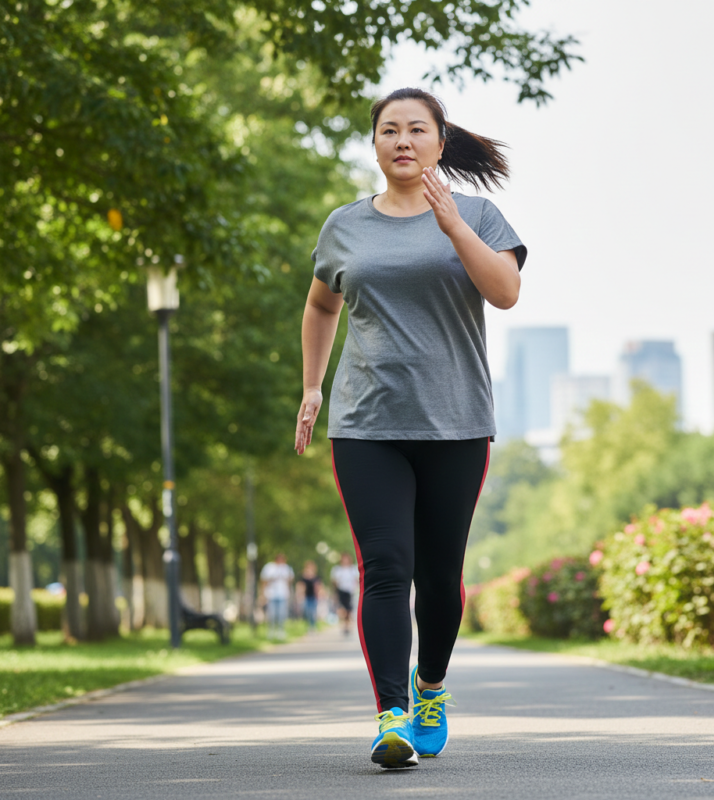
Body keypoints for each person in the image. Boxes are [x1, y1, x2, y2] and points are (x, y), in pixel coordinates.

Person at [294, 87, 526, 769]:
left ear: (439, 140)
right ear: (374, 144)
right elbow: (319, 305)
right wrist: (313, 385)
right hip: (367, 422)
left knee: (440, 574)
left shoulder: (479, 214)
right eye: (389, 130)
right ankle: (391, 715)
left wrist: (453, 227)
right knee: (386, 567)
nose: (402, 140)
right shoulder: (344, 225)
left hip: (456, 421)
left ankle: (431, 688)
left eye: (416, 129)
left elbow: (506, 293)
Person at [259, 553, 294, 639]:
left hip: (283, 595)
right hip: (271, 595)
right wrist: (262, 594)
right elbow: (263, 581)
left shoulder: (287, 568)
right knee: (271, 614)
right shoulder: (269, 567)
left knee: (282, 614)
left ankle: (280, 631)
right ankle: (271, 631)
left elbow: (290, 581)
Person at [330, 552, 359, 636]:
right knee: (342, 610)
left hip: (350, 591)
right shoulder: (337, 569)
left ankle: (348, 626)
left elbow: (357, 580)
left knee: (349, 610)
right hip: (341, 591)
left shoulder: (353, 569)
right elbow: (334, 581)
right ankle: (343, 626)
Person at [297, 560, 322, 630]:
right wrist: (300, 594)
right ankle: (309, 625)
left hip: (314, 597)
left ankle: (313, 625)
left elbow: (319, 586)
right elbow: (300, 586)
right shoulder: (303, 578)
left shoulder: (316, 578)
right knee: (307, 611)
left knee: (313, 612)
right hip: (306, 596)